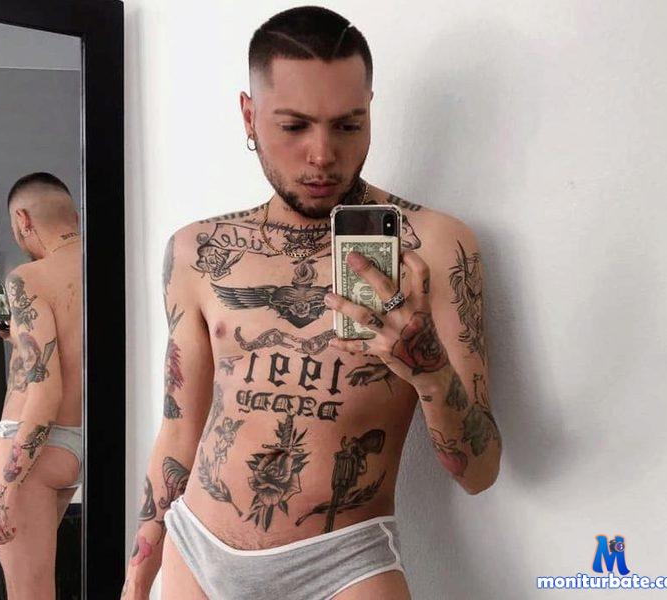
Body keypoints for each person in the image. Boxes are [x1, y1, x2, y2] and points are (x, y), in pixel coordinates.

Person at [123, 7, 501, 599]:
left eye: (348, 125)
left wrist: (429, 370)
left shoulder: (434, 247)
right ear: (249, 116)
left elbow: (480, 473)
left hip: (343, 563)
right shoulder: (198, 252)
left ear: (370, 110)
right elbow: (178, 434)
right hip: (195, 550)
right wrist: (138, 573)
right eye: (295, 126)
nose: (322, 155)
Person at [0, 172, 83, 599]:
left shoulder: (28, 278)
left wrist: (5, 491)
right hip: (78, 442)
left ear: (23, 219)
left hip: (32, 447)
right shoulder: (108, 263)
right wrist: (18, 342)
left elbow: (45, 391)